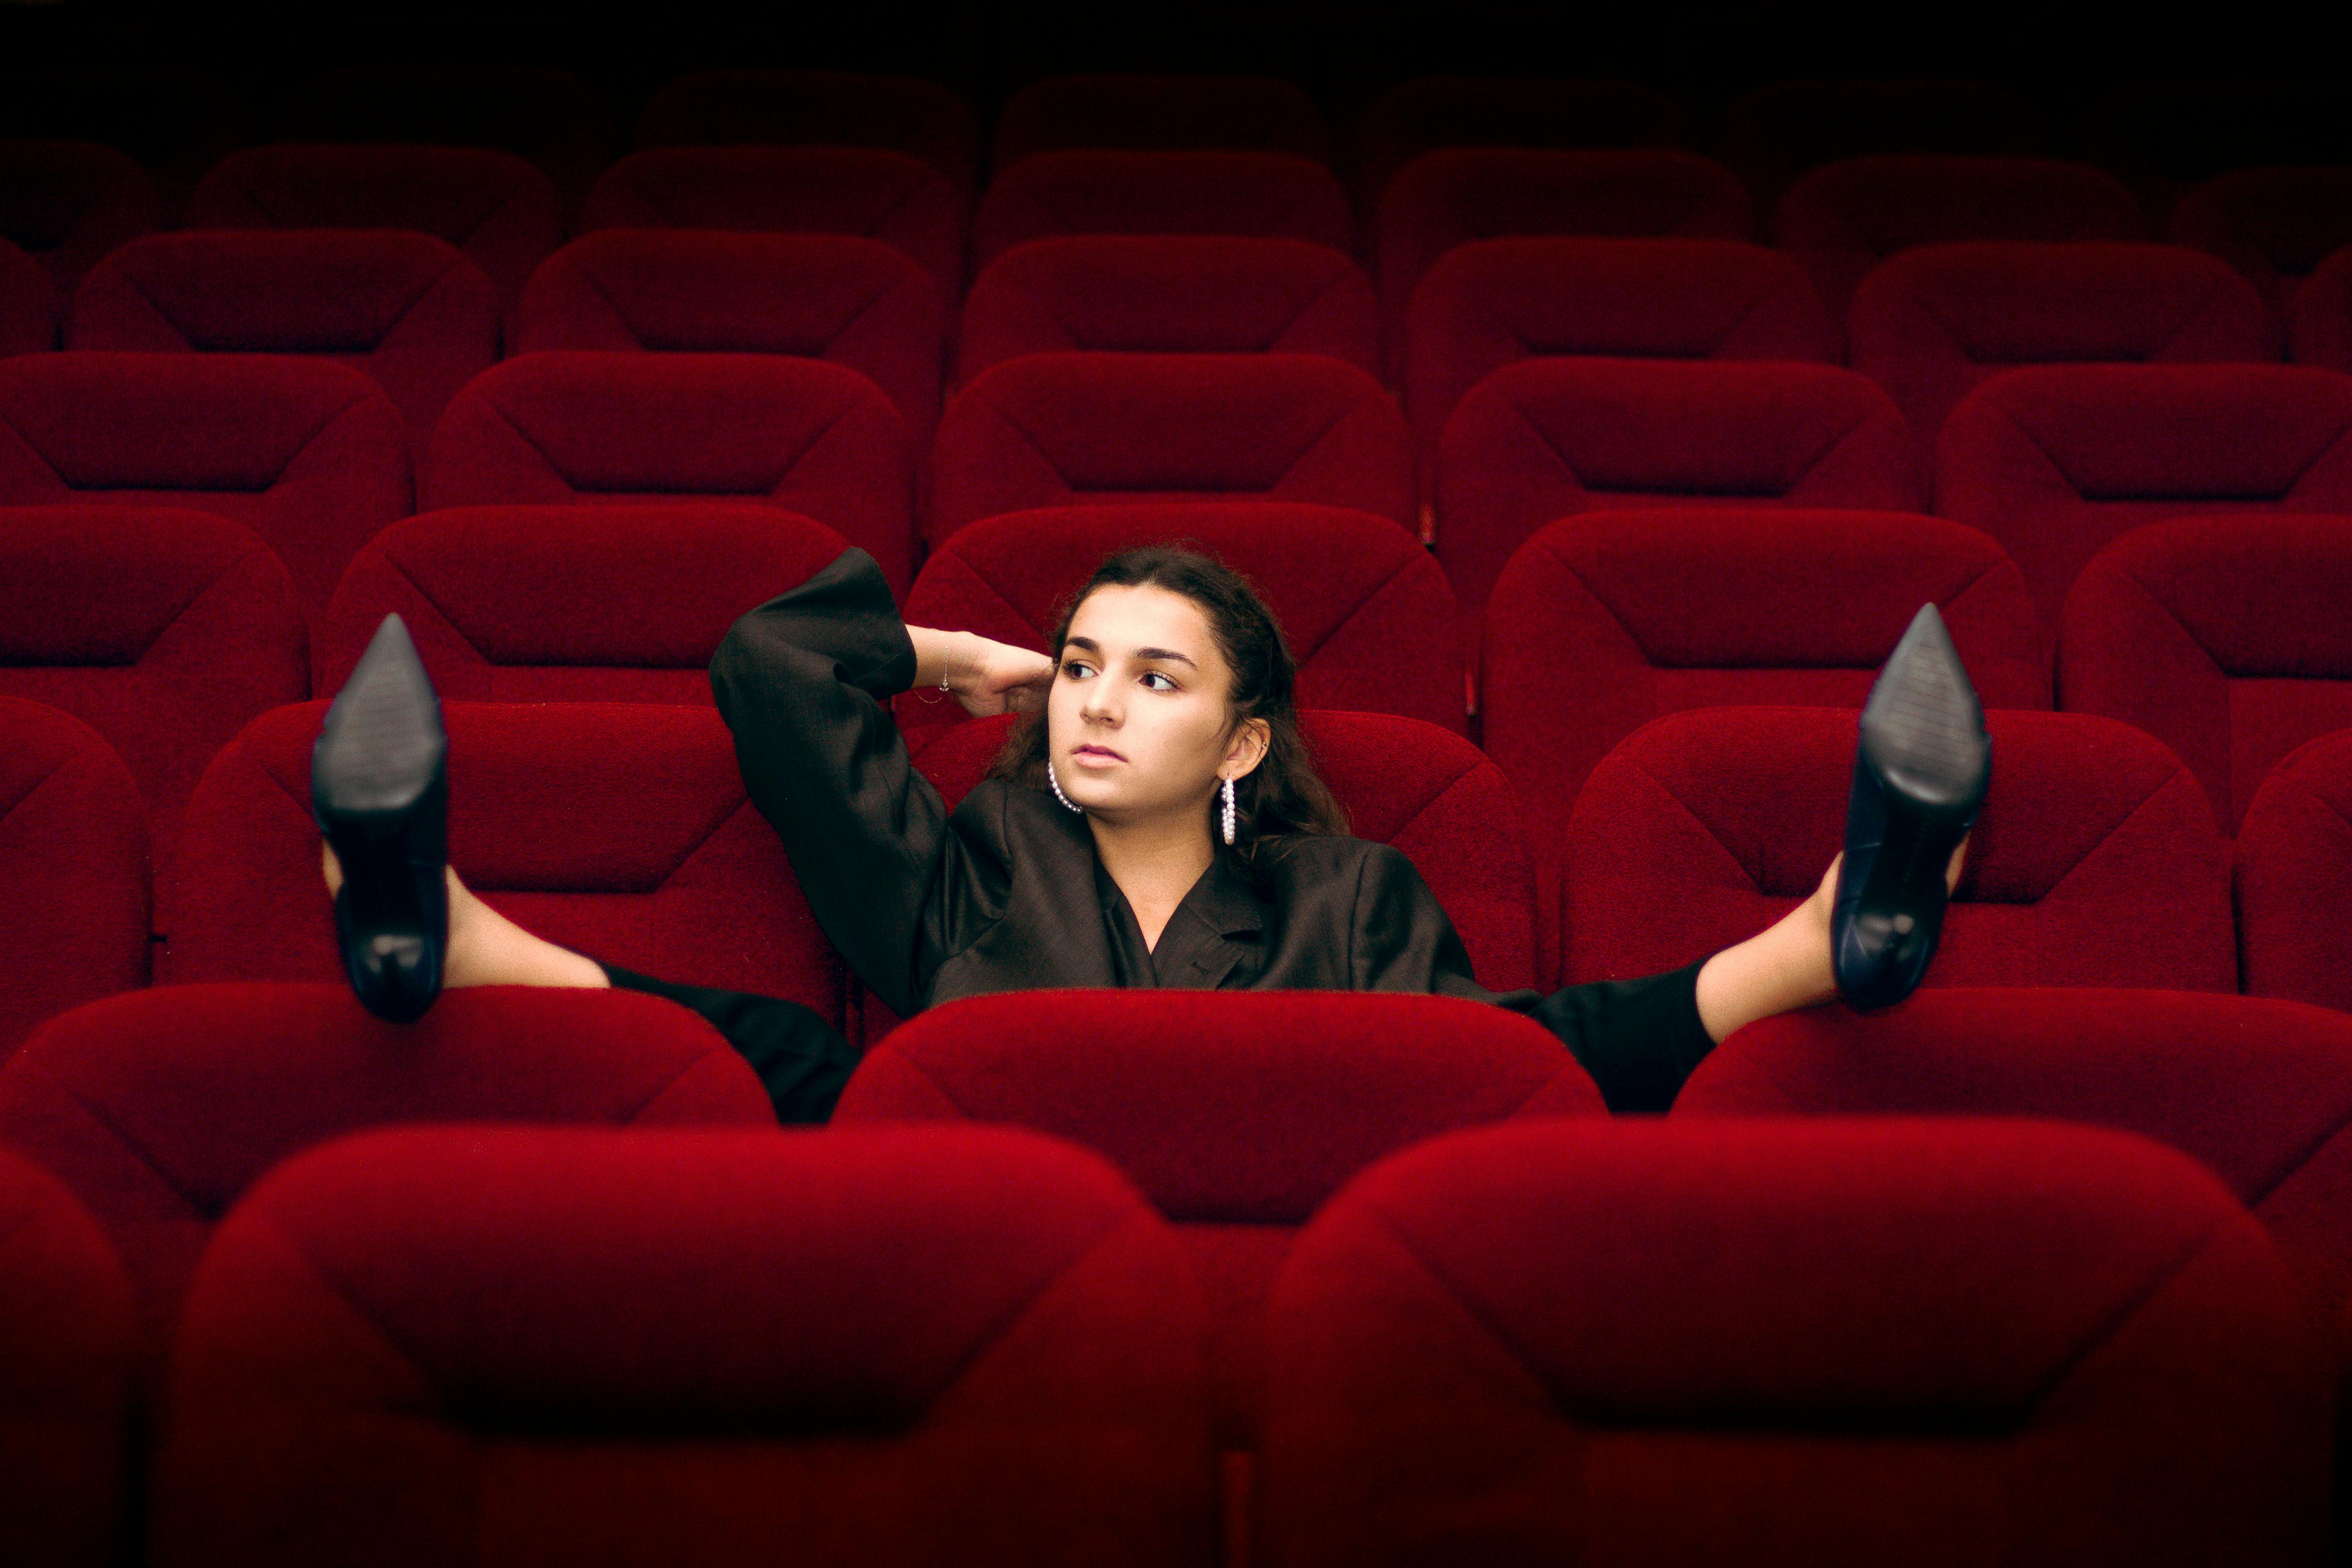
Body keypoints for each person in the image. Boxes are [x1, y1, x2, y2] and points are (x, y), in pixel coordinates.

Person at [314, 544, 1983, 1121]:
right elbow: (773, 669)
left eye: (1157, 677)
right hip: (990, 1227)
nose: (1097, 703)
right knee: (802, 1075)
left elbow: (1488, 1085)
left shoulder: (1351, 896)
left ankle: (1828, 943)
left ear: (1243, 740)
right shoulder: (968, 867)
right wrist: (954, 662)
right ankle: (453, 941)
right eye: (1083, 669)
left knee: (1528, 1059)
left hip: (1292, 1223)